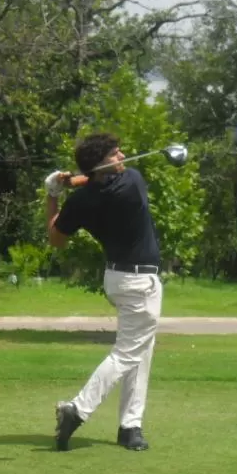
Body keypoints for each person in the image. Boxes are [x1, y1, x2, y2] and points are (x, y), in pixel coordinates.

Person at [44, 132, 164, 452]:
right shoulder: (133, 182)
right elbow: (100, 180)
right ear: (101, 164)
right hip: (140, 283)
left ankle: (130, 426)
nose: (123, 155)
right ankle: (78, 409)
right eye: (115, 154)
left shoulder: (83, 201)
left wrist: (55, 193)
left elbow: (56, 238)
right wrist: (73, 182)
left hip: (117, 278)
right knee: (128, 352)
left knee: (140, 350)